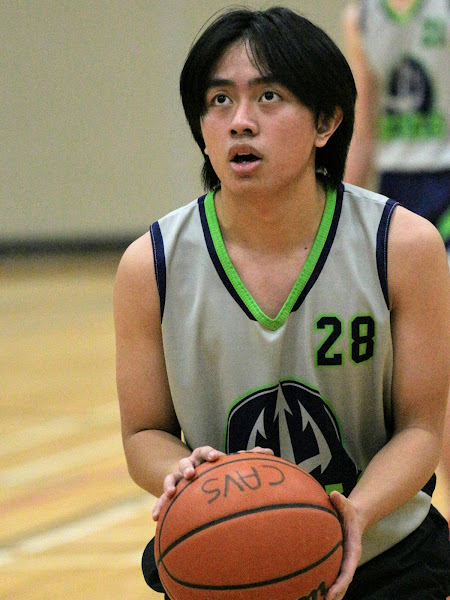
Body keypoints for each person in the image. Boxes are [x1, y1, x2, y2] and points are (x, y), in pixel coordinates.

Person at [113, 6, 450, 600]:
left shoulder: (404, 246)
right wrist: (182, 473)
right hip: (230, 552)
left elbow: (422, 429)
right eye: (220, 101)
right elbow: (143, 432)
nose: (240, 121)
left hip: (384, 550)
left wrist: (354, 513)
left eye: (268, 97)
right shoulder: (151, 265)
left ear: (326, 122)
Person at [343, 0, 449, 253]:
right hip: (394, 183)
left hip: (444, 173)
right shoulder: (361, 17)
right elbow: (362, 129)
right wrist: (341, 206)